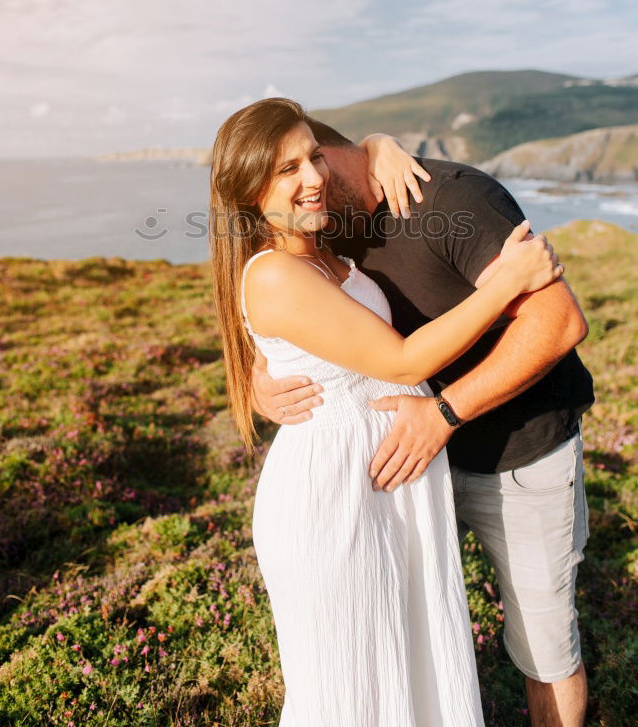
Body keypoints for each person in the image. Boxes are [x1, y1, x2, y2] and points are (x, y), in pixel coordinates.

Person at [210, 97, 565, 727]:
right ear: (247, 192)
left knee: (408, 666)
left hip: (402, 480)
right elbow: (399, 361)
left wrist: (377, 143)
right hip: (337, 493)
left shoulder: (319, 240)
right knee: (351, 683)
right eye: (286, 169)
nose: (313, 178)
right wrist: (506, 282)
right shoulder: (276, 271)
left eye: (313, 157)